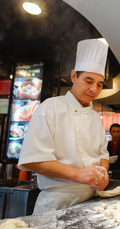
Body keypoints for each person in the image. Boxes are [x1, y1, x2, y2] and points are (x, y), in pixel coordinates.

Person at [18, 39, 110, 214]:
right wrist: (77, 174)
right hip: (57, 203)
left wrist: (103, 173)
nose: (94, 89)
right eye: (88, 81)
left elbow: (102, 155)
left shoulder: (95, 118)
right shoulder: (50, 107)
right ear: (74, 76)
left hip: (92, 202)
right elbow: (34, 159)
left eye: (99, 84)